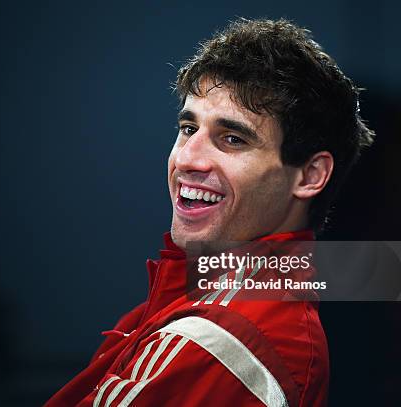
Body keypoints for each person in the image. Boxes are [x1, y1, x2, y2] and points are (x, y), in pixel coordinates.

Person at [45, 18, 374, 406]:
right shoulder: (212, 302)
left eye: (232, 138)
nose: (187, 159)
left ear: (310, 175)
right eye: (188, 128)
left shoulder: (218, 337)